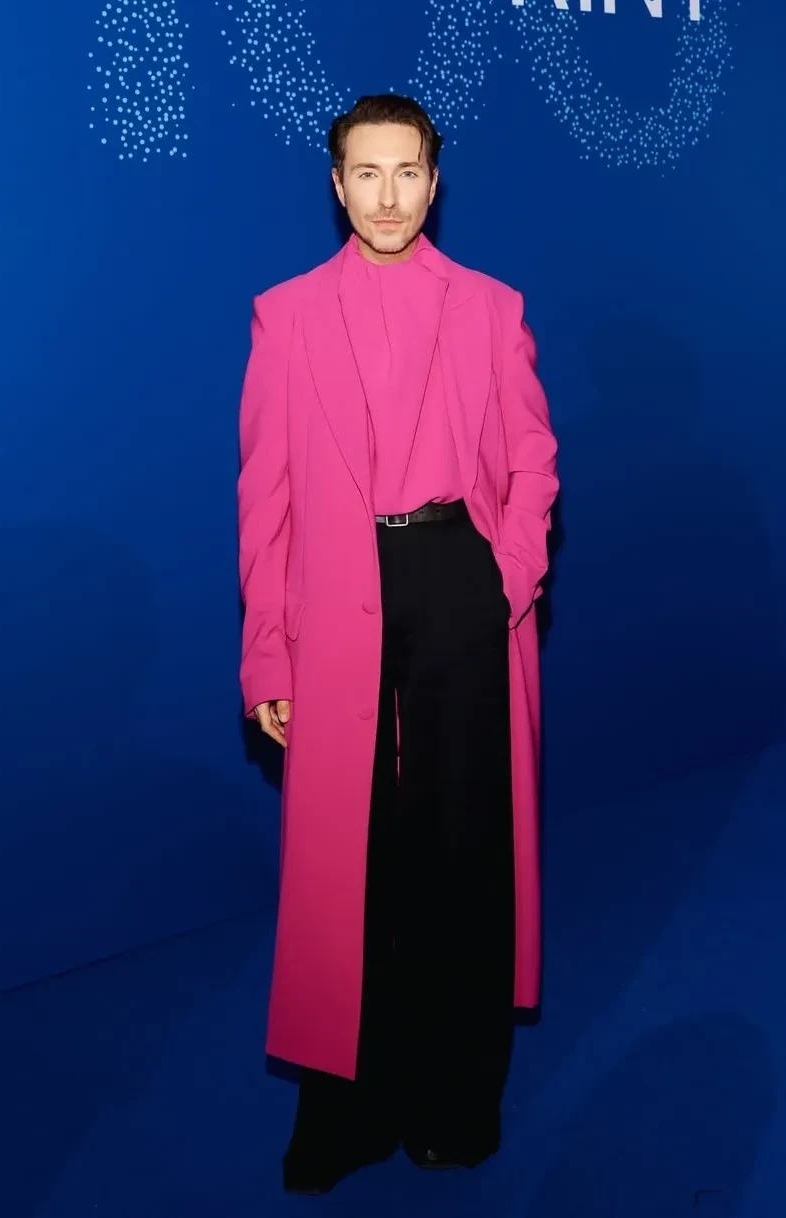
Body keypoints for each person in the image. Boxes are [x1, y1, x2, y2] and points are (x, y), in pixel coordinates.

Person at [237, 93, 559, 1195]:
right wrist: (267, 653)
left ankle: (452, 1105)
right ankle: (349, 1115)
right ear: (336, 185)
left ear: (434, 179)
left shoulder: (491, 308)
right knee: (353, 865)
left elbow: (532, 461)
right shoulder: (284, 315)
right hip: (337, 602)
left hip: (458, 584)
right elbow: (264, 502)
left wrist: (503, 578)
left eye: (407, 172)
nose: (387, 196)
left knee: (460, 855)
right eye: (365, 173)